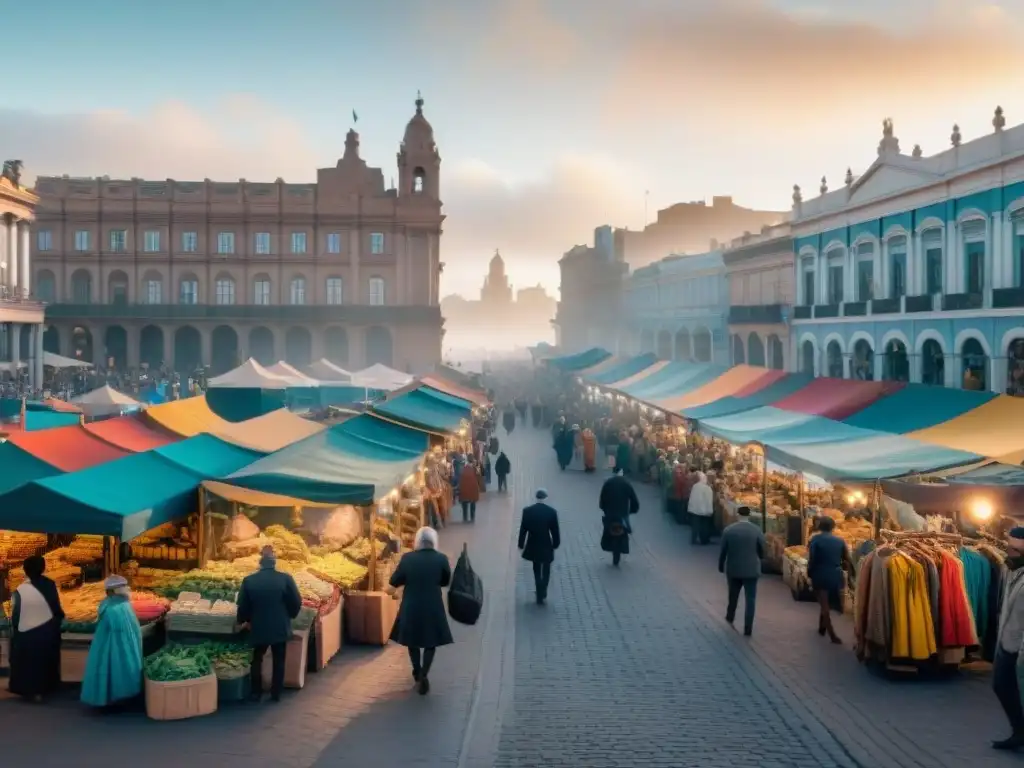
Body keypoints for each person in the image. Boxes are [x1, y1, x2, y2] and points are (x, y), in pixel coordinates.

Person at [389, 527, 453, 695]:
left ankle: (417, 672)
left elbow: (394, 580)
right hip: (433, 606)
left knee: (413, 641)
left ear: (417, 541)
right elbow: (445, 581)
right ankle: (425, 672)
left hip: (411, 605)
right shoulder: (441, 559)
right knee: (430, 643)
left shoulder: (407, 558)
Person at [236, 545, 303, 703]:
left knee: (257, 658)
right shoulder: (285, 579)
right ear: (274, 562)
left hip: (258, 626)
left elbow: (243, 606)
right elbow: (296, 601)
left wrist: (244, 620)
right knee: (279, 659)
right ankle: (276, 693)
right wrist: (290, 615)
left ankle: (256, 692)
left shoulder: (249, 580)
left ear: (260, 562)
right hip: (280, 626)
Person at [81, 575, 144, 709]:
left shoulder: (112, 606)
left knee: (107, 668)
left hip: (106, 645)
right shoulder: (121, 607)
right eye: (125, 587)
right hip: (119, 647)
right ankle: (121, 697)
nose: (128, 589)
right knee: (120, 668)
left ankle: (108, 697)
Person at [8, 555, 64, 701]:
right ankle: (45, 688)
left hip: (26, 633)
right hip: (46, 631)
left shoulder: (22, 589)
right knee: (44, 660)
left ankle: (28, 689)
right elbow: (55, 608)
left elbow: (17, 613)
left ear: (25, 570)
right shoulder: (49, 585)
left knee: (26, 661)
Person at [992, 527, 1024, 750]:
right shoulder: (1013, 572)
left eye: (1013, 550)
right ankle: (1019, 732)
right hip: (1007, 642)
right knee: (1001, 686)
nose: (1008, 554)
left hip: (1019, 647)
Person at [718, 506, 765, 637]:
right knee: (751, 599)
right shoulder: (756, 530)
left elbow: (723, 551)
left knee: (733, 595)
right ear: (749, 515)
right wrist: (760, 557)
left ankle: (730, 616)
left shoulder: (729, 530)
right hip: (751, 570)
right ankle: (748, 627)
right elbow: (762, 550)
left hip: (734, 569)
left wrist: (721, 565)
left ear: (738, 515)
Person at [807, 516, 850, 644]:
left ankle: (832, 635)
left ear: (820, 527)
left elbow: (812, 559)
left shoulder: (815, 540)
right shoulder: (840, 541)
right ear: (833, 527)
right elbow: (847, 560)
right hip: (835, 575)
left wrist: (809, 572)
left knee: (824, 605)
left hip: (820, 574)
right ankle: (822, 628)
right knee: (826, 602)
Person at [518, 489, 561, 604]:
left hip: (533, 543)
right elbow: (555, 530)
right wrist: (556, 543)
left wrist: (521, 543)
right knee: (546, 568)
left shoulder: (527, 511)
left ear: (536, 498)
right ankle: (544, 589)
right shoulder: (551, 512)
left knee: (536, 568)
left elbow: (523, 529)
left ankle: (538, 590)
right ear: (546, 498)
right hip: (546, 543)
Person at [599, 467, 640, 566]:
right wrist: (632, 511)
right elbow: (634, 501)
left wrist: (604, 509)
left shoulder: (608, 483)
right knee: (627, 529)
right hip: (622, 514)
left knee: (607, 527)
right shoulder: (627, 484)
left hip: (610, 514)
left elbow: (601, 500)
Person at [688, 471, 714, 545]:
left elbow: (692, 498)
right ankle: (704, 540)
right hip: (704, 510)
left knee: (695, 525)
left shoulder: (695, 486)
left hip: (694, 509)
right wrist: (709, 511)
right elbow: (709, 501)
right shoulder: (708, 488)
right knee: (704, 526)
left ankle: (693, 539)